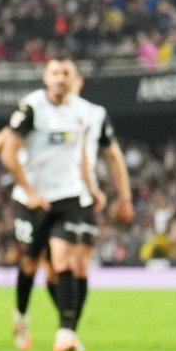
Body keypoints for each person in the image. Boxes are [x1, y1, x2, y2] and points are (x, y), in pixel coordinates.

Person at [0, 56, 102, 351]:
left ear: (73, 78)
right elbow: (9, 153)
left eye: (65, 73)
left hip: (67, 197)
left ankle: (66, 332)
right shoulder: (31, 108)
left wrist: (92, 188)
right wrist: (29, 191)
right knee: (29, 263)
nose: (60, 78)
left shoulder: (81, 113)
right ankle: (21, 316)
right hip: (32, 200)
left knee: (64, 261)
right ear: (45, 77)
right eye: (54, 72)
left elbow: (80, 155)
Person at [72, 68, 133, 334]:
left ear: (78, 81)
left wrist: (124, 196)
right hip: (46, 198)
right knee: (55, 268)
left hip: (83, 197)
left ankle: (69, 328)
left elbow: (112, 155)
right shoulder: (37, 109)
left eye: (68, 74)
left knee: (80, 262)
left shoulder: (94, 115)